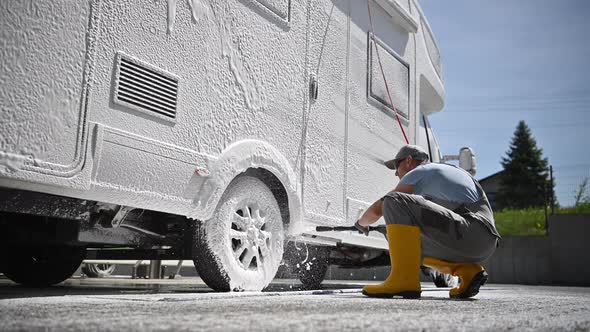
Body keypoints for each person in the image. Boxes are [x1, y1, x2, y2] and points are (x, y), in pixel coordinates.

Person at [354, 144, 501, 299]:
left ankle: (403, 280)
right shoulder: (444, 174)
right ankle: (468, 271)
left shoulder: (421, 171)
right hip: (483, 242)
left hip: (471, 231)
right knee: (400, 237)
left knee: (393, 200)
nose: (396, 173)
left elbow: (379, 208)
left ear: (409, 160)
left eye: (397, 166)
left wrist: (361, 223)